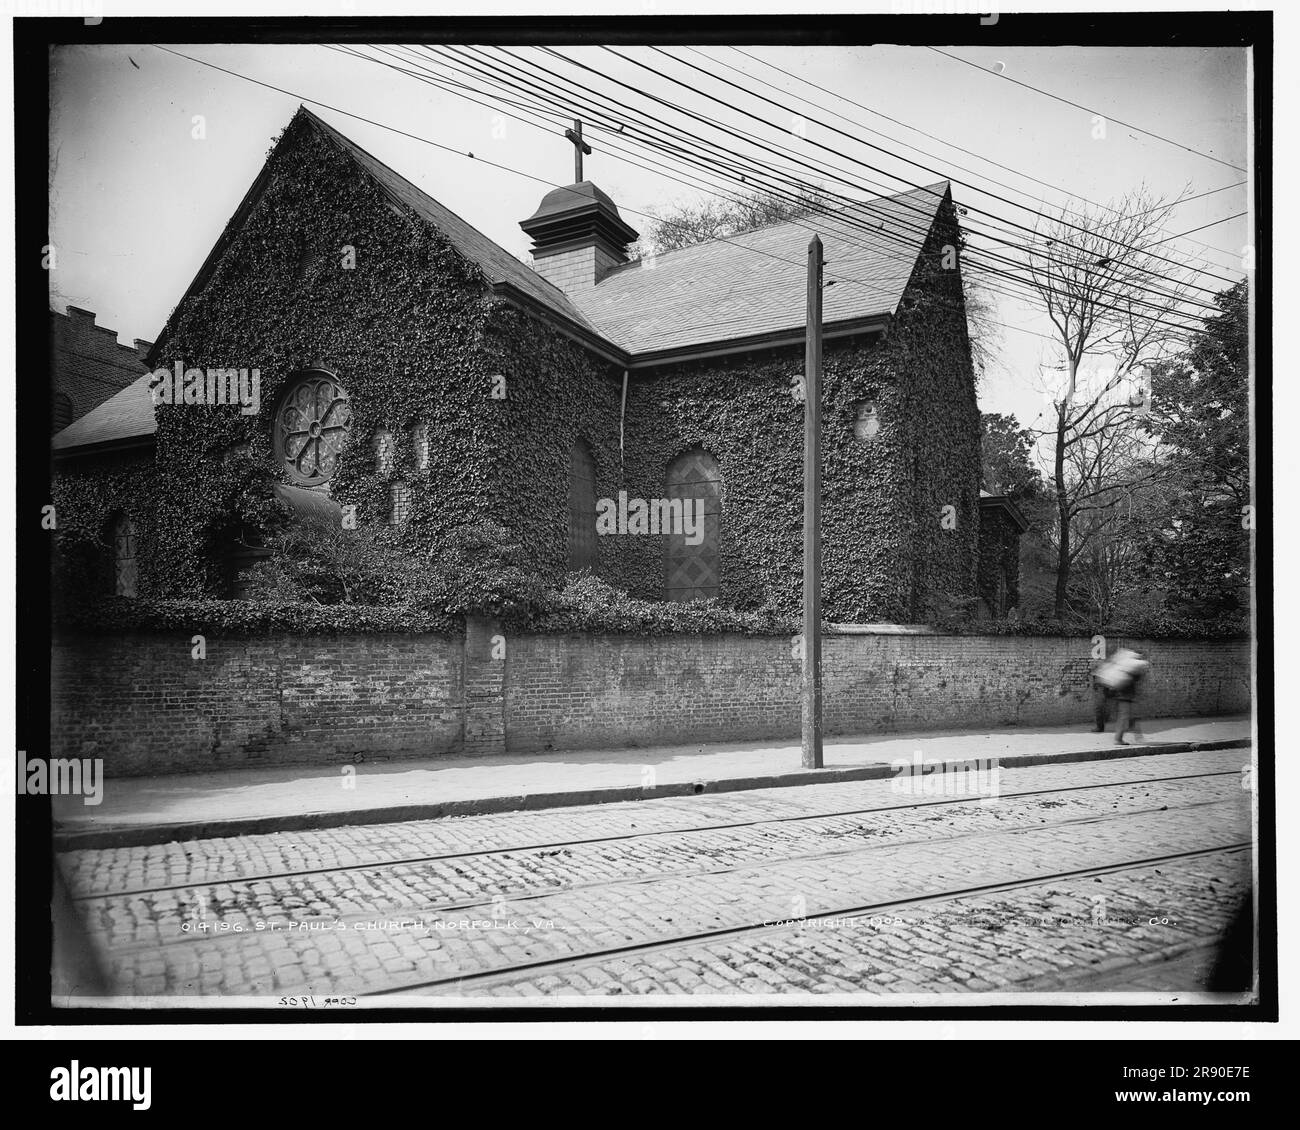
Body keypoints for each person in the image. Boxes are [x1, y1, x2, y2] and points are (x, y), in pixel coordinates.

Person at [1110, 647, 1152, 745]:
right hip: (1124, 697)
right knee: (1124, 718)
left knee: (1130, 717)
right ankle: (1118, 739)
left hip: (1126, 697)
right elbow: (1132, 681)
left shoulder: (1129, 669)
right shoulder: (1130, 670)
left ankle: (1138, 737)